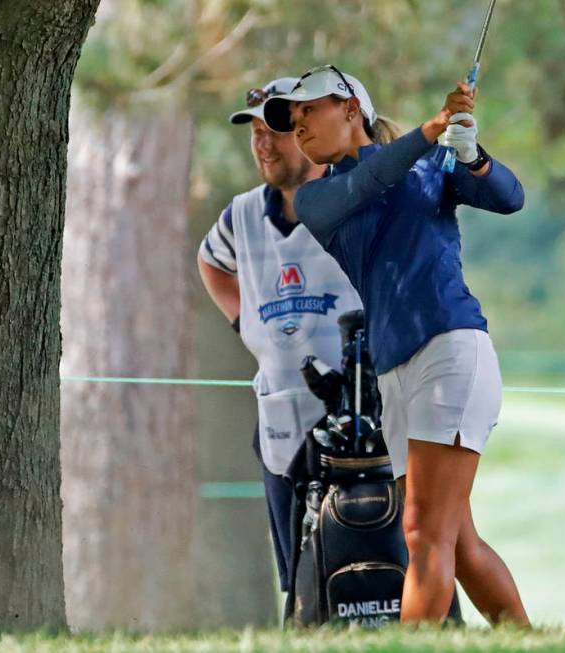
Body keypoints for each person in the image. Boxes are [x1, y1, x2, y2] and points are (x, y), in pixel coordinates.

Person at [262, 65, 530, 625]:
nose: (298, 126)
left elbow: (510, 197)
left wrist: (471, 151)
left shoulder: (432, 165)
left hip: (449, 349)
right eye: (294, 118)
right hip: (394, 373)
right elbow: (370, 180)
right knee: (455, 543)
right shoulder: (319, 197)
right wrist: (430, 132)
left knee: (422, 534)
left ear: (350, 109)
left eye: (309, 110)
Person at [196, 77, 363, 595]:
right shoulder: (242, 214)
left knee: (367, 558)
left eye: (275, 129)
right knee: (297, 576)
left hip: (358, 411)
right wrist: (250, 327)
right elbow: (210, 261)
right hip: (278, 418)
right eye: (255, 133)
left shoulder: (350, 198)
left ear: (306, 132)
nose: (263, 144)